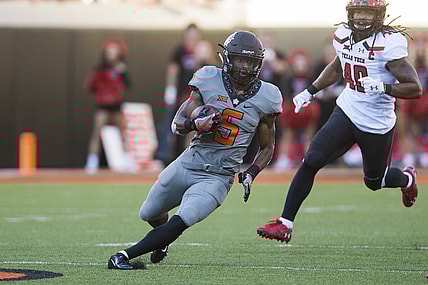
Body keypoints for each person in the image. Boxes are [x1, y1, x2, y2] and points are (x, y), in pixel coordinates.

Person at [108, 30, 282, 269]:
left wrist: (251, 172)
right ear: (228, 59)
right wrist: (195, 123)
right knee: (148, 213)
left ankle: (124, 255)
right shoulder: (208, 78)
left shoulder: (268, 96)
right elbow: (177, 124)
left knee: (182, 220)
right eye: (240, 60)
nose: (244, 67)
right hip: (189, 161)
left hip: (218, 176)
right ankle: (163, 239)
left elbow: (267, 146)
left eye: (250, 62)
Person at [257, 0, 422, 243]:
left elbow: (415, 88)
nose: (362, 18)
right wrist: (310, 91)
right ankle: (285, 224)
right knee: (311, 160)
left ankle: (407, 179)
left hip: (376, 123)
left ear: (379, 15)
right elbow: (337, 67)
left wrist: (384, 86)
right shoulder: (344, 35)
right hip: (346, 111)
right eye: (358, 13)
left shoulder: (389, 44)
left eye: (368, 13)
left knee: (374, 181)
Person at [156, 23, 203, 166]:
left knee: (194, 128)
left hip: (196, 97)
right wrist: (170, 89)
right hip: (180, 97)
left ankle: (191, 159)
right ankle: (167, 157)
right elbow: (173, 70)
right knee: (174, 127)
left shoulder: (201, 50)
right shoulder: (179, 51)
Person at [85, 40, 131, 174]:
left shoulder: (121, 68)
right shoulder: (99, 69)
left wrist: (123, 72)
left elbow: (128, 84)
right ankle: (92, 161)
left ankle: (126, 160)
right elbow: (90, 86)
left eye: (114, 50)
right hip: (103, 107)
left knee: (123, 134)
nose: (112, 53)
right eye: (110, 50)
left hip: (117, 106)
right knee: (97, 134)